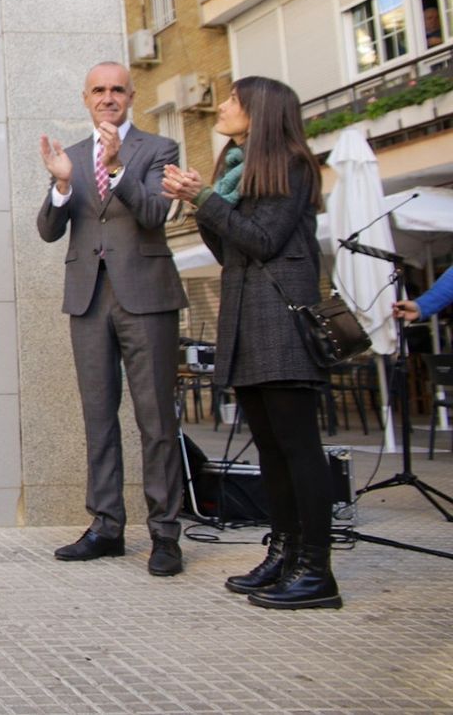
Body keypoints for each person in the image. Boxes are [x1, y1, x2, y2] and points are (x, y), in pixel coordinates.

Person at [163, 76, 341, 610]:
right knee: (270, 451)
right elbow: (232, 250)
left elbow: (263, 241)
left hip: (281, 326)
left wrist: (207, 199)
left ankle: (317, 571)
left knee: (298, 451)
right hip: (248, 324)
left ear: (260, 111)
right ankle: (284, 554)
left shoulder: (290, 164)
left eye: (234, 100)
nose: (222, 106)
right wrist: (203, 203)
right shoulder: (241, 172)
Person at [36, 61, 188, 576]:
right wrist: (60, 187)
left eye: (117, 89)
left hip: (145, 296)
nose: (108, 97)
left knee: (156, 420)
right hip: (88, 299)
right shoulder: (72, 157)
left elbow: (151, 215)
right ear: (86, 98)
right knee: (98, 417)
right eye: (98, 90)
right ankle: (106, 526)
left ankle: (165, 533)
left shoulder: (159, 149)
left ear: (131, 95)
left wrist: (119, 167)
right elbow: (49, 231)